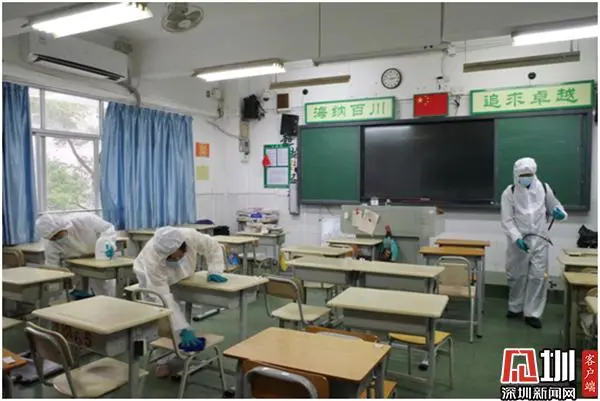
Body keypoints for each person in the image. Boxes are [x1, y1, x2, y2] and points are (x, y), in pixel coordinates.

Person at [133, 226, 227, 375]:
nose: (176, 260)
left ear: (185, 247)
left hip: (182, 277)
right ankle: (161, 360)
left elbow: (213, 247)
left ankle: (180, 348)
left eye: (179, 256)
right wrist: (182, 328)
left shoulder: (191, 236)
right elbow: (163, 298)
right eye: (171, 258)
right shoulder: (153, 260)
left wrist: (215, 270)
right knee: (160, 318)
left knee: (179, 309)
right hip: (150, 278)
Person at [501, 157, 567, 329]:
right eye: (522, 175)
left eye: (529, 174)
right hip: (519, 242)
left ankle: (532, 313)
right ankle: (515, 307)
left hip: (540, 240)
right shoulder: (509, 192)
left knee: (538, 277)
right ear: (516, 175)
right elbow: (507, 220)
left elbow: (555, 206)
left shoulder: (544, 188)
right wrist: (517, 238)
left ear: (534, 173)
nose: (526, 177)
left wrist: (560, 213)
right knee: (517, 276)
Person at [36, 213, 117, 297]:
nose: (56, 239)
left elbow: (108, 229)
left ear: (63, 227)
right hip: (75, 265)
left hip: (100, 258)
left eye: (57, 236)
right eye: (52, 238)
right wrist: (55, 286)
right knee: (77, 291)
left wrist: (105, 244)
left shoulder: (85, 220)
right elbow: (52, 266)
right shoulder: (51, 243)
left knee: (104, 288)